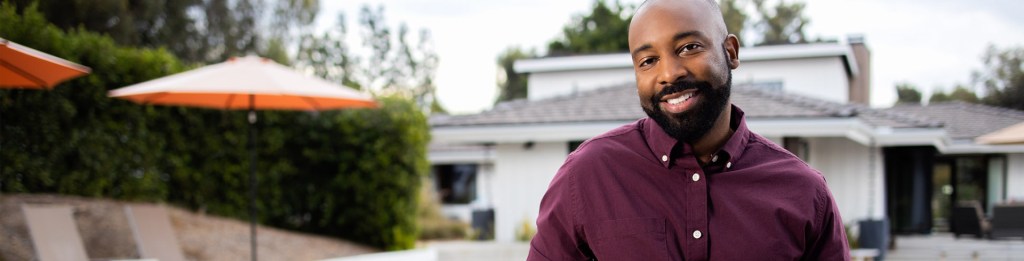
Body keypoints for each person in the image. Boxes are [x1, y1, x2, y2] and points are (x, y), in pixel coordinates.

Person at [526, 0, 850, 260]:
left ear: (731, 52)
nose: (669, 73)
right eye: (648, 60)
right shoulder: (587, 176)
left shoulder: (805, 193)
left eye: (688, 48)